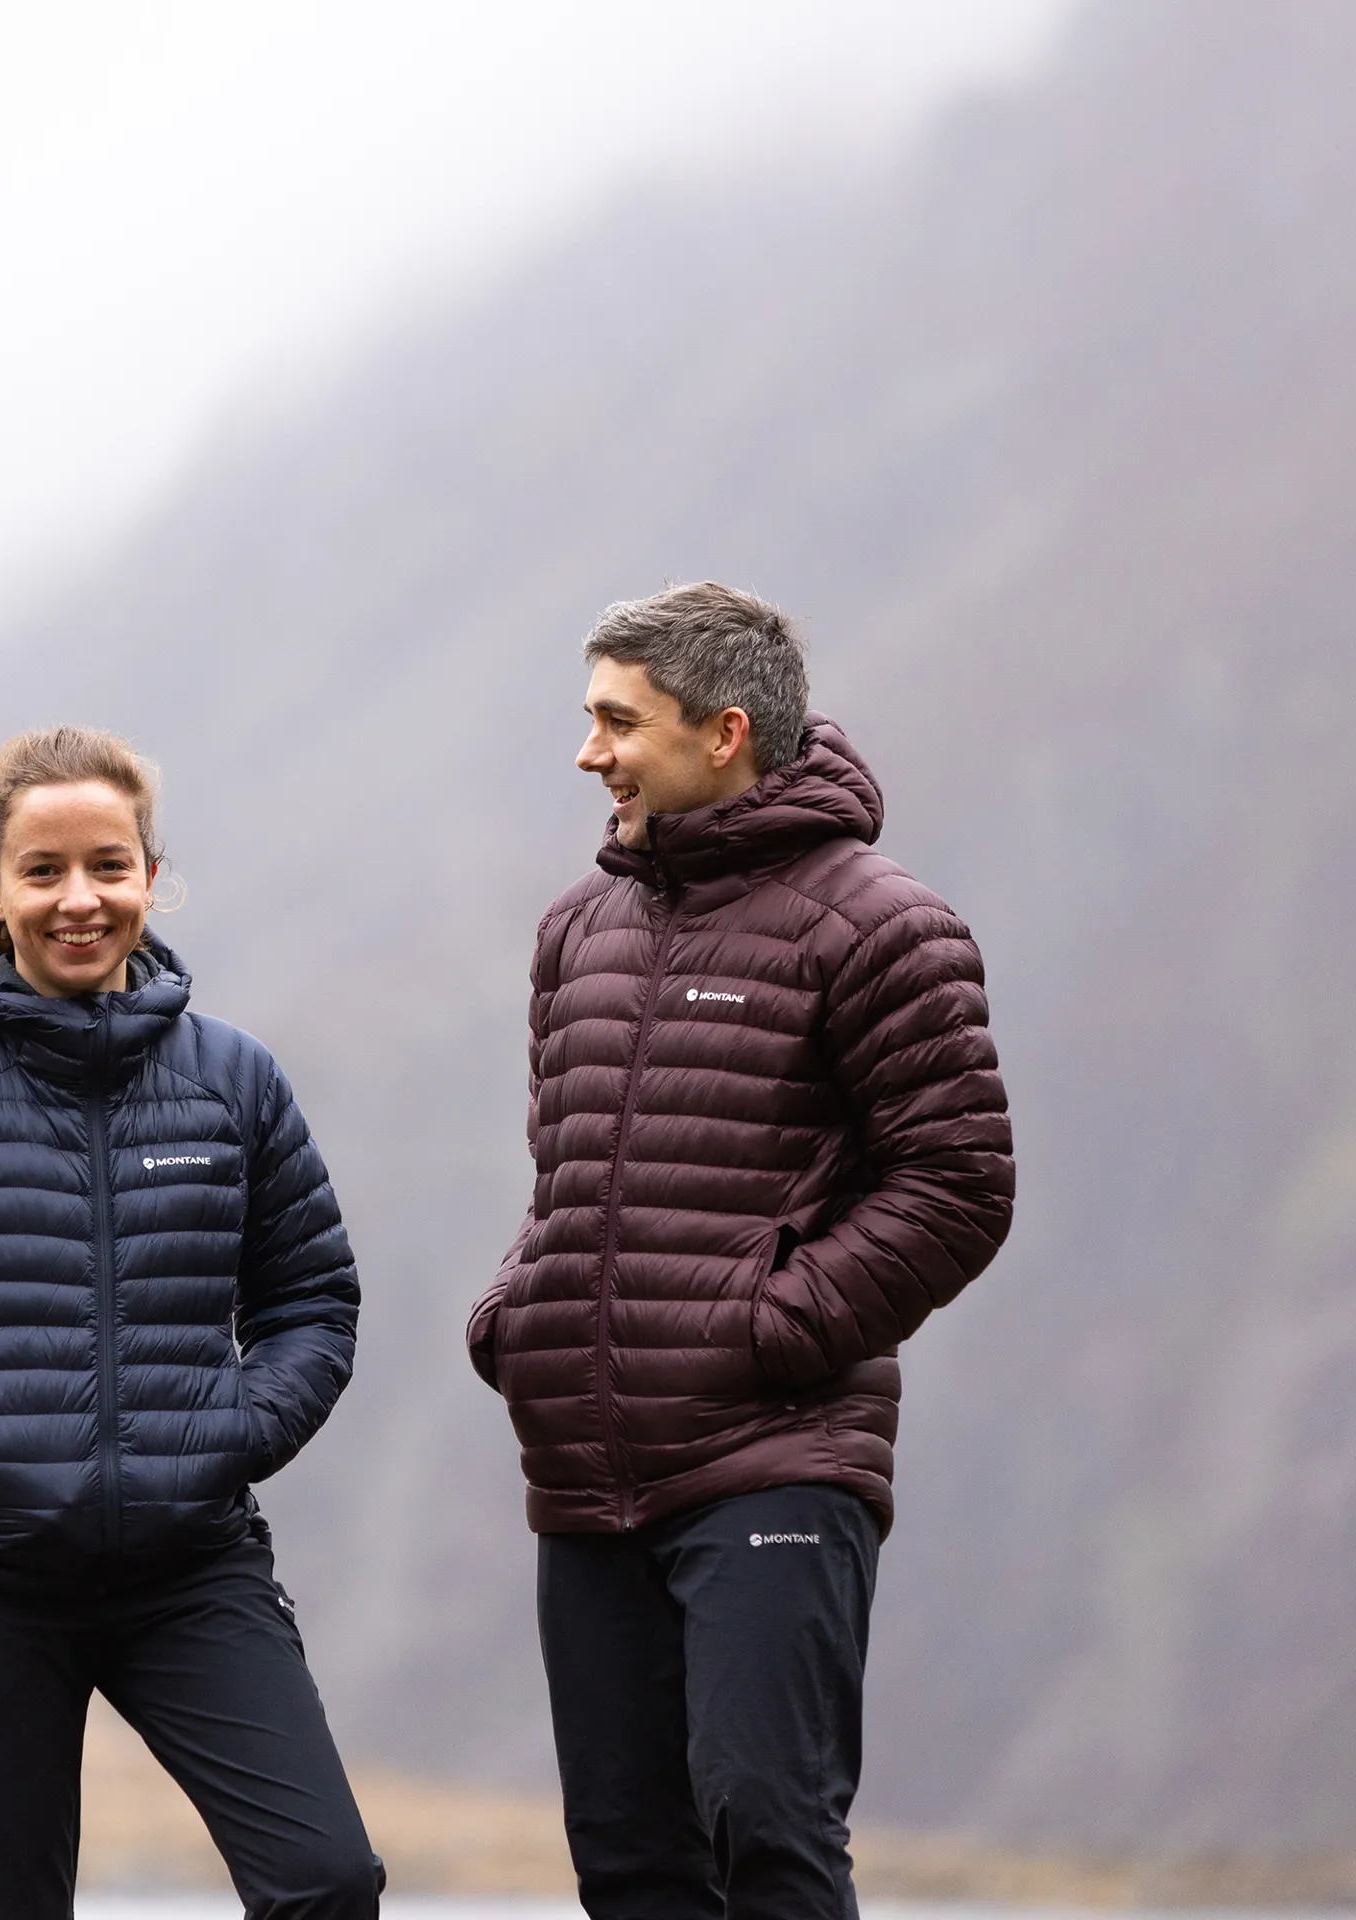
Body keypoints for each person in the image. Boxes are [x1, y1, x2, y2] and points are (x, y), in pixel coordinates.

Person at [467, 584, 1014, 1920]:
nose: (589, 752)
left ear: (723, 733)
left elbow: (959, 1184)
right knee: (631, 1866)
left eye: (618, 721)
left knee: (767, 1829)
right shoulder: (576, 931)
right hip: (584, 1473)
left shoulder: (882, 924)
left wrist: (767, 1330)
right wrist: (520, 1314)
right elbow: (563, 1172)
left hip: (775, 1461)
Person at [0, 726, 381, 1920]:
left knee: (326, 1880)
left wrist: (228, 1435)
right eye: (43, 871)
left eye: (108, 865)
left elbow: (312, 1303)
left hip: (191, 1567)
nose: (79, 899)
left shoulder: (236, 1081)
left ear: (150, 876)